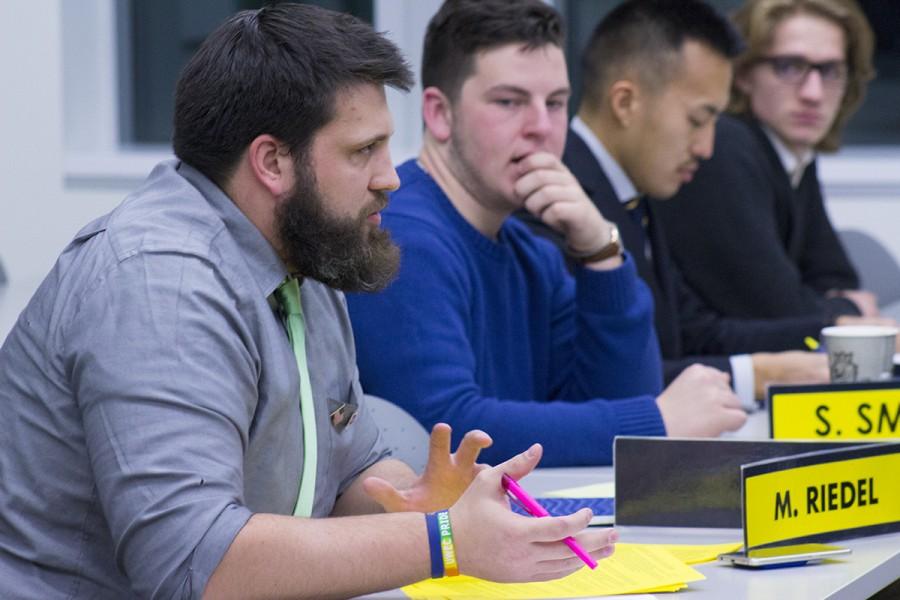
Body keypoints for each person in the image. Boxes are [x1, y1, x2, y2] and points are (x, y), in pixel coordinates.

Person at [0, 5, 617, 598]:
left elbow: (352, 475)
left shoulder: (302, 253)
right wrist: (446, 540)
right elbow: (193, 564)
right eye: (361, 151)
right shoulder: (162, 285)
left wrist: (425, 500)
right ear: (272, 161)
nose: (391, 176)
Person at [346, 0, 746, 469]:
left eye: (555, 103)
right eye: (509, 102)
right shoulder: (401, 234)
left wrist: (601, 251)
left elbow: (613, 404)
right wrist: (654, 421)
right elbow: (444, 428)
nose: (541, 127)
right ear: (438, 114)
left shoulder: (529, 252)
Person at [519, 0, 829, 409]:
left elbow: (692, 329)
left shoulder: (632, 189)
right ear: (626, 102)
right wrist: (756, 374)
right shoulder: (551, 203)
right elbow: (600, 376)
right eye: (698, 120)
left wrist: (830, 330)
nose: (707, 147)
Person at [656, 0, 879, 325]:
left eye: (830, 71)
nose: (813, 93)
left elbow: (835, 277)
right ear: (743, 73)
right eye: (789, 67)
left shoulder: (793, 152)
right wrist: (848, 311)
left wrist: (831, 306)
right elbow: (778, 311)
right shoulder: (723, 147)